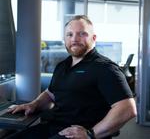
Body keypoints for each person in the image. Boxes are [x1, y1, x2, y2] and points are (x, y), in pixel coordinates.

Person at [8, 15, 137, 139]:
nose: (74, 39)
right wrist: (34, 104)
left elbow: (127, 109)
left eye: (82, 34)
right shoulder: (62, 66)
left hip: (78, 134)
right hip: (53, 127)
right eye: (69, 34)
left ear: (94, 38)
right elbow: (51, 94)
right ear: (65, 39)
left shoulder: (105, 68)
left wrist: (91, 134)